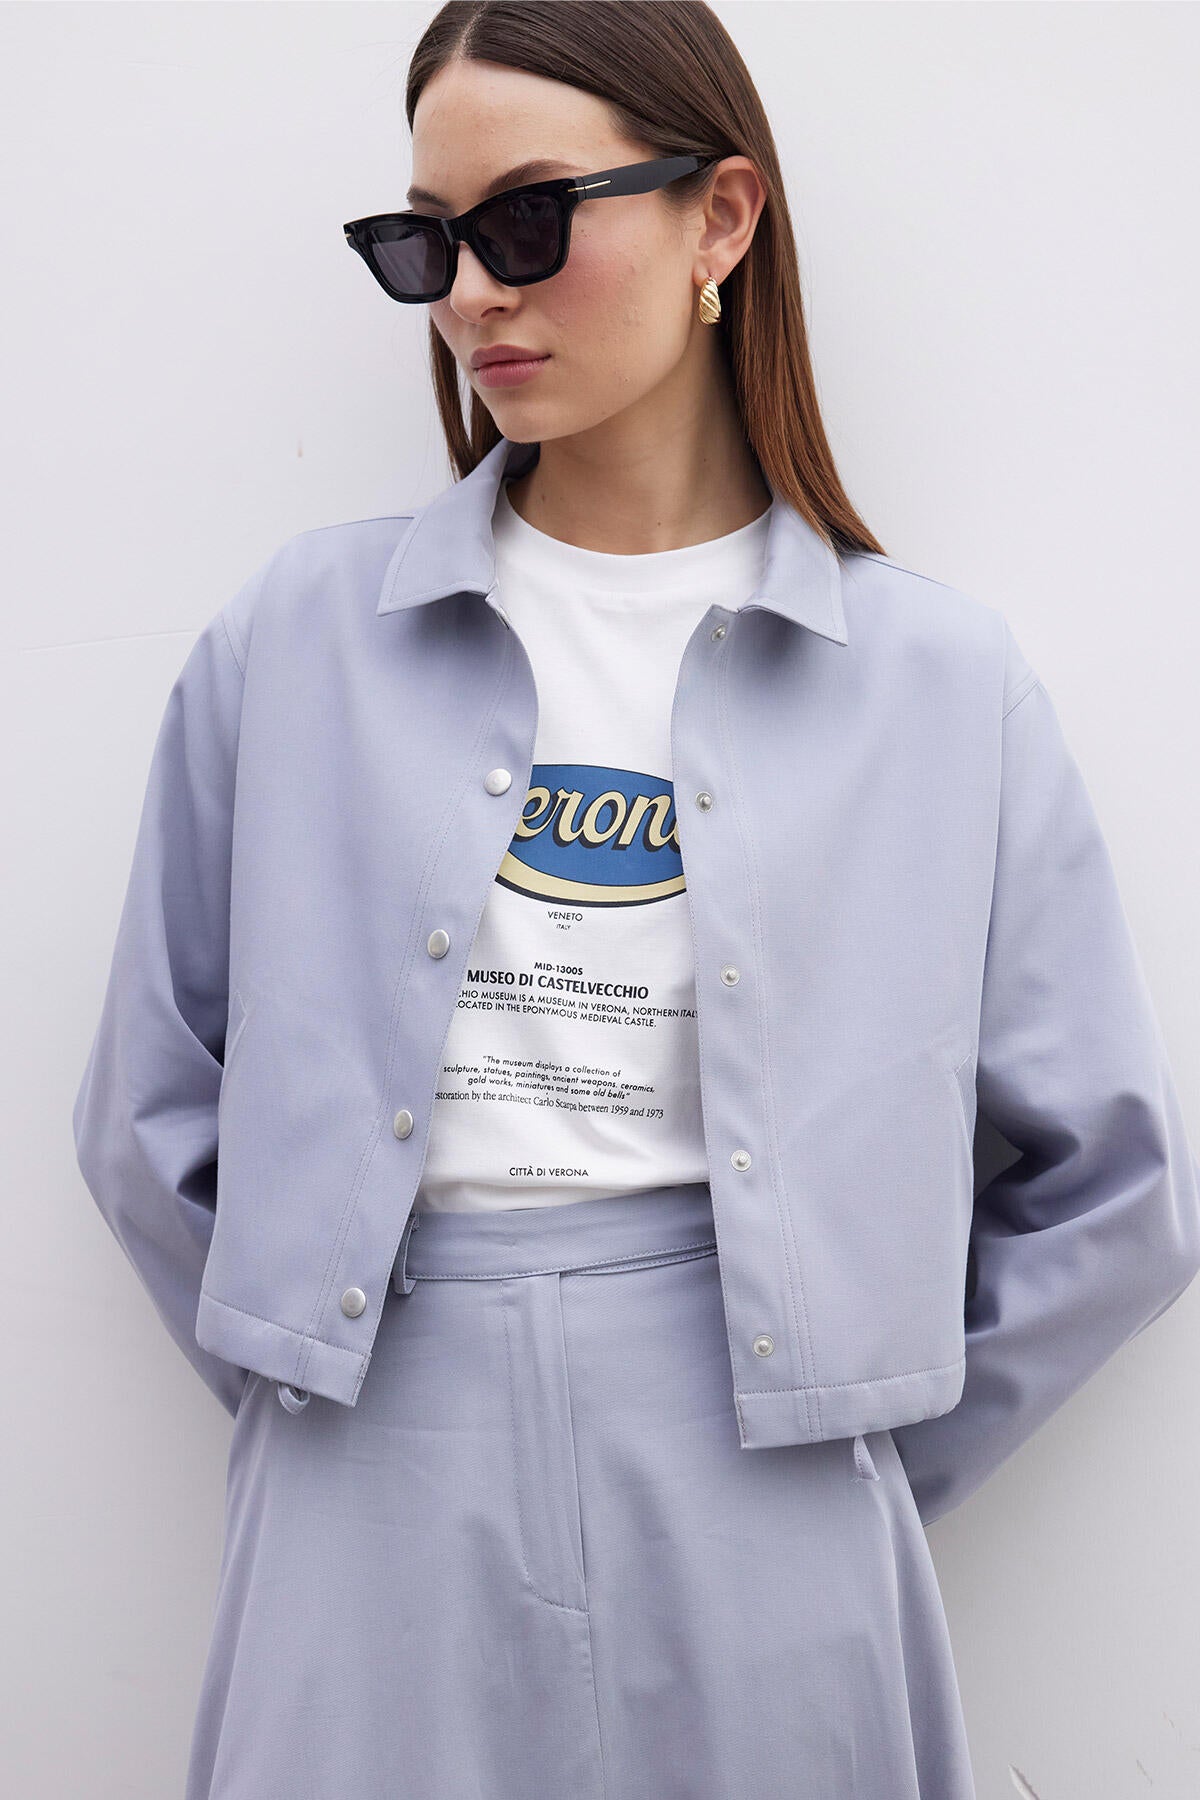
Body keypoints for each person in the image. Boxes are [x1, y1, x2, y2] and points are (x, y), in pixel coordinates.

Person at [72, 4, 1200, 1797]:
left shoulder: (938, 684)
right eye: (425, 243)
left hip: (774, 1474)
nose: (470, 296)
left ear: (720, 218)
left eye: (527, 222)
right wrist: (328, 1386)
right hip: (365, 1458)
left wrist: (853, 1460)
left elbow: (1115, 1188)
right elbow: (148, 1113)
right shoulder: (295, 641)